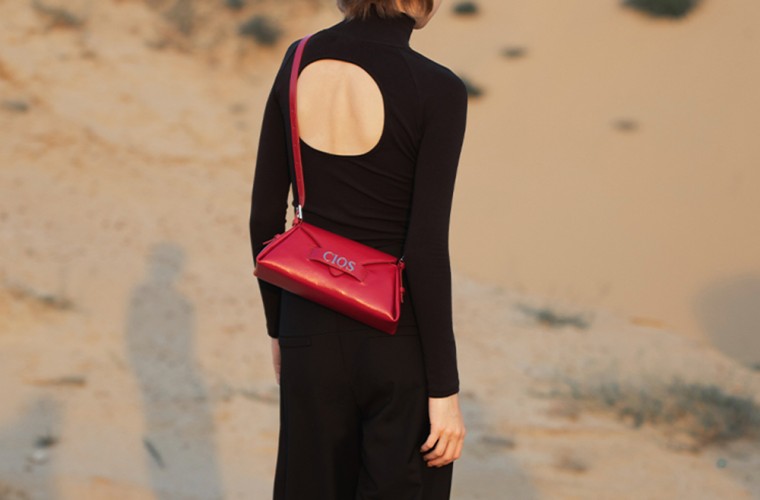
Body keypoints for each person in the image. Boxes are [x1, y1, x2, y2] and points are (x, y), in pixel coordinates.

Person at [249, 1, 468, 498]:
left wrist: (279, 327)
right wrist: (444, 390)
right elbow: (426, 249)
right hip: (396, 337)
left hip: (307, 325)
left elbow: (264, 219)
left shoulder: (297, 59)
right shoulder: (439, 88)